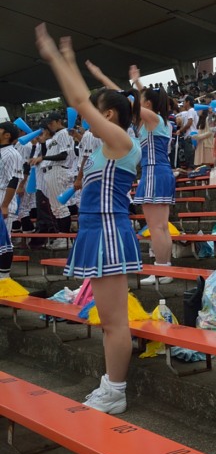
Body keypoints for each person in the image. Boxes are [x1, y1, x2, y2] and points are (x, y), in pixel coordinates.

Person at [35, 24, 142, 414]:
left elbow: (78, 100)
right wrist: (63, 59)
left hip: (109, 231)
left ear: (109, 114)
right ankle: (110, 385)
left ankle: (115, 391)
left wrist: (57, 58)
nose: (86, 118)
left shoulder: (121, 142)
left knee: (114, 322)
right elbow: (82, 101)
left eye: (96, 112)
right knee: (108, 319)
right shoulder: (104, 149)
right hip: (98, 231)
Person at [128, 68, 177, 286]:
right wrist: (138, 82)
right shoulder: (162, 121)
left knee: (156, 226)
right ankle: (164, 268)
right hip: (161, 172)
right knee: (162, 226)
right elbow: (145, 99)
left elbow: (131, 104)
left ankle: (161, 269)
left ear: (147, 104)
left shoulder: (154, 119)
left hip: (154, 172)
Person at [32, 112, 74, 250]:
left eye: (51, 123)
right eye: (48, 124)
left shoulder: (63, 133)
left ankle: (65, 237)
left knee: (60, 207)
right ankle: (62, 236)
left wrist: (43, 158)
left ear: (58, 121)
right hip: (50, 171)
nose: (50, 126)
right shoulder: (56, 135)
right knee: (56, 208)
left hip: (58, 170)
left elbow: (64, 155)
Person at [0, 122, 24, 282]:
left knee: (4, 240)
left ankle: (4, 277)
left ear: (7, 135)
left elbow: (14, 180)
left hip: (4, 197)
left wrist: (5, 205)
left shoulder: (12, 153)